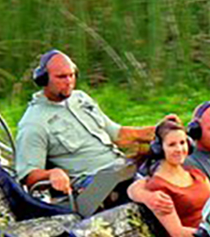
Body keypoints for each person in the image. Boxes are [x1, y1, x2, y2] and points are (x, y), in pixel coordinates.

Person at [14, 50, 171, 208]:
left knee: (173, 178)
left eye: (72, 75)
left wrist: (163, 131)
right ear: (43, 79)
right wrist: (52, 173)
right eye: (61, 77)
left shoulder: (80, 98)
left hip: (121, 170)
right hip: (90, 185)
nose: (69, 81)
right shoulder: (34, 123)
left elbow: (118, 135)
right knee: (151, 197)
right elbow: (28, 175)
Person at [132, 117, 210, 237]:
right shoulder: (158, 187)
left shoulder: (196, 174)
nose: (179, 149)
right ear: (159, 148)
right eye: (172, 145)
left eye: (182, 143)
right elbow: (178, 233)